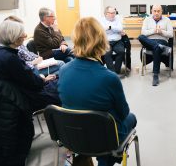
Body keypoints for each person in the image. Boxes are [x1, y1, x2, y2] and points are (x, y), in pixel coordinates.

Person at [0, 20, 61, 166]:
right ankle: (67, 136)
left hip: (4, 100)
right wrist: (42, 79)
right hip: (19, 99)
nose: (24, 36)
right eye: (22, 34)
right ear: (14, 37)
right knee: (61, 90)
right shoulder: (10, 58)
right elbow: (33, 83)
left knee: (55, 82)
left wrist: (39, 79)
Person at [58, 17, 137, 166]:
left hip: (73, 135)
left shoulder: (63, 70)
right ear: (101, 40)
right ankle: (105, 161)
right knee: (131, 118)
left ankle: (84, 158)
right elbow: (123, 113)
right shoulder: (109, 77)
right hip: (102, 138)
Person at [138, 4, 173, 86]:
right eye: (154, 11)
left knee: (156, 48)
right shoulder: (147, 19)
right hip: (149, 41)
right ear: (151, 11)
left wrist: (162, 32)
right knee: (140, 37)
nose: (156, 13)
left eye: (158, 11)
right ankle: (157, 46)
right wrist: (153, 31)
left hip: (162, 41)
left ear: (161, 11)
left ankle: (155, 75)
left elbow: (171, 34)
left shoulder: (167, 20)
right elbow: (143, 32)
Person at [100, 6, 125, 74]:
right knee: (107, 53)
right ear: (106, 13)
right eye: (110, 13)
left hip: (117, 41)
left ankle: (116, 72)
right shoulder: (101, 20)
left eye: (114, 13)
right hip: (106, 41)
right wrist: (115, 29)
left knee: (121, 51)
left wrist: (109, 27)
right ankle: (111, 72)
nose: (112, 14)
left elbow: (120, 29)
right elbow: (101, 30)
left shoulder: (118, 18)